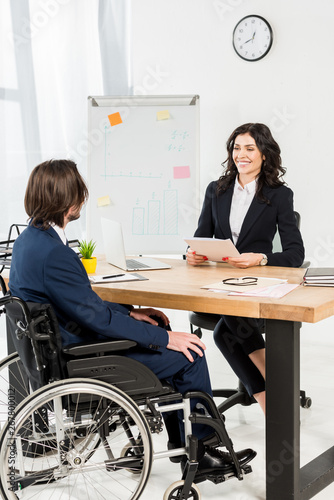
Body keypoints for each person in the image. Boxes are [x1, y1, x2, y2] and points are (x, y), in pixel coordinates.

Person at [9, 159, 255, 478]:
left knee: (161, 327)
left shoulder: (27, 242)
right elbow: (97, 320)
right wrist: (167, 339)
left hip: (61, 349)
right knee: (191, 353)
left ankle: (185, 444)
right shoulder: (56, 254)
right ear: (70, 201)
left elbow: (81, 307)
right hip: (83, 357)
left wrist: (133, 313)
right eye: (80, 193)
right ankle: (201, 451)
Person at [186, 123, 305, 414]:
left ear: (264, 154)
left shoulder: (279, 195)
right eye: (237, 148)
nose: (242, 154)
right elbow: (200, 237)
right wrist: (193, 254)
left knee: (228, 325)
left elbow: (295, 253)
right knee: (224, 328)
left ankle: (270, 395)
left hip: (257, 285)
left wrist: (261, 258)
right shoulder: (217, 190)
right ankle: (274, 393)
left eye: (249, 148)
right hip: (220, 283)